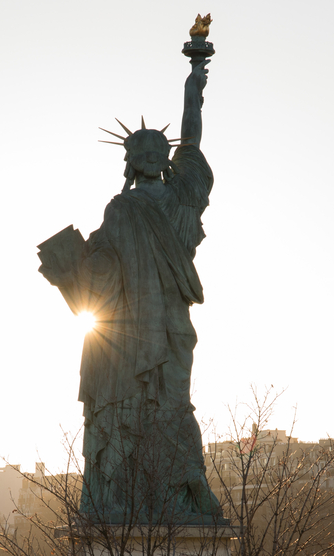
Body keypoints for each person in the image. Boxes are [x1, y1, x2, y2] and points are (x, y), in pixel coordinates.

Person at [39, 57, 221, 522]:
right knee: (169, 406)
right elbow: (193, 138)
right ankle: (167, 494)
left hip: (156, 330)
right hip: (169, 329)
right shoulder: (177, 201)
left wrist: (69, 270)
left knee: (166, 407)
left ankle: (175, 491)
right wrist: (194, 85)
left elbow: (99, 278)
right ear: (152, 163)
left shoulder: (126, 210)